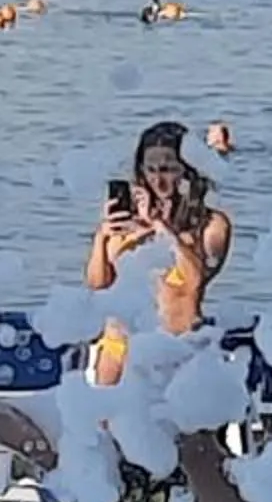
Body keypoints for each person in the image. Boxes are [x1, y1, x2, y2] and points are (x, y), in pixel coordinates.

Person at [86, 119, 232, 390]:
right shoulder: (128, 223)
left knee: (186, 429)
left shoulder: (211, 225)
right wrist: (102, 236)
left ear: (187, 170)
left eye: (167, 169)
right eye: (150, 169)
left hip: (177, 347)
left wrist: (161, 228)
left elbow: (194, 280)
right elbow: (98, 286)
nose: (157, 179)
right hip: (120, 348)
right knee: (114, 426)